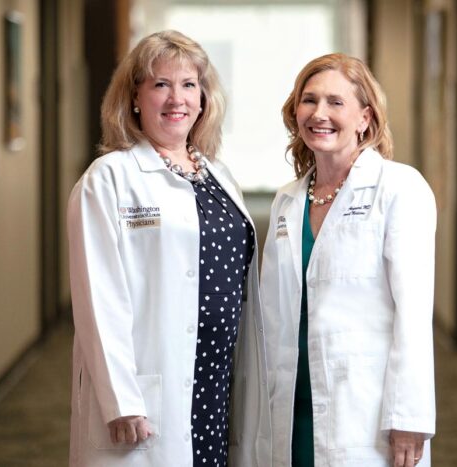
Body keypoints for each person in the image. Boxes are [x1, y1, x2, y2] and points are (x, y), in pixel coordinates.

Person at [67, 30, 271, 467]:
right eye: (160, 84)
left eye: (188, 85)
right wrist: (121, 399)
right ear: (135, 98)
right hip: (149, 388)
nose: (176, 98)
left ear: (203, 99)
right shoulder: (109, 179)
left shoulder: (218, 175)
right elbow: (97, 299)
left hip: (216, 379)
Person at [260, 53, 436, 467]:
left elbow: (413, 314)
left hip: (368, 412)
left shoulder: (398, 188)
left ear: (365, 118)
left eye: (336, 102)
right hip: (292, 406)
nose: (319, 113)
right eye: (309, 100)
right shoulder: (287, 201)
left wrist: (409, 416)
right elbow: (271, 314)